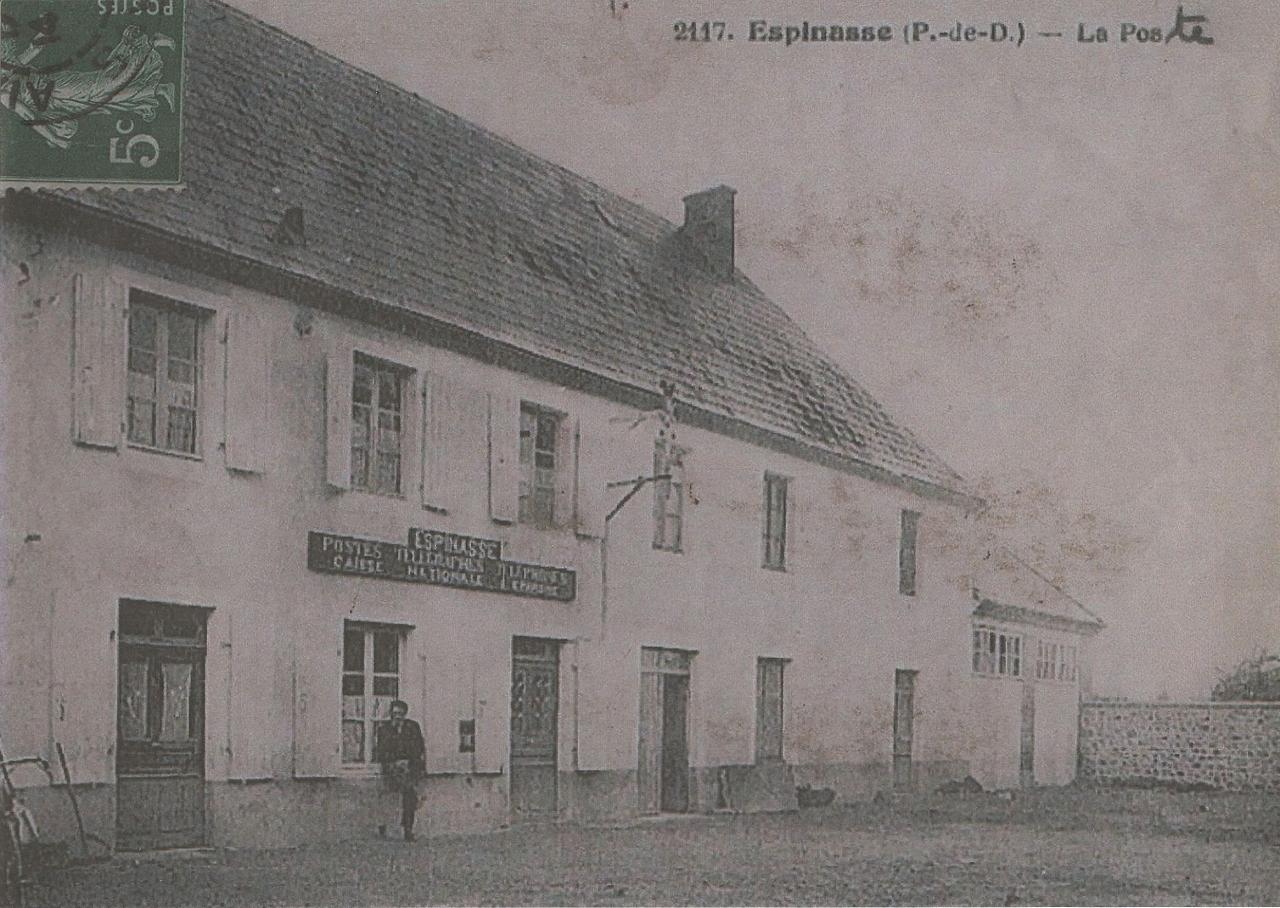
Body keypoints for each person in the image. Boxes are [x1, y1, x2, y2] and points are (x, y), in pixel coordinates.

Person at [373, 699, 426, 841]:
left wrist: (408, 761)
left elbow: (419, 747)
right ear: (391, 714)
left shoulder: (413, 727)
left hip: (408, 767)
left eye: (400, 714)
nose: (397, 717)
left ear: (405, 714)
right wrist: (395, 762)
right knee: (404, 791)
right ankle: (388, 828)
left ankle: (408, 828)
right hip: (392, 768)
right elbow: (381, 751)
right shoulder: (384, 729)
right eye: (395, 713)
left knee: (409, 794)